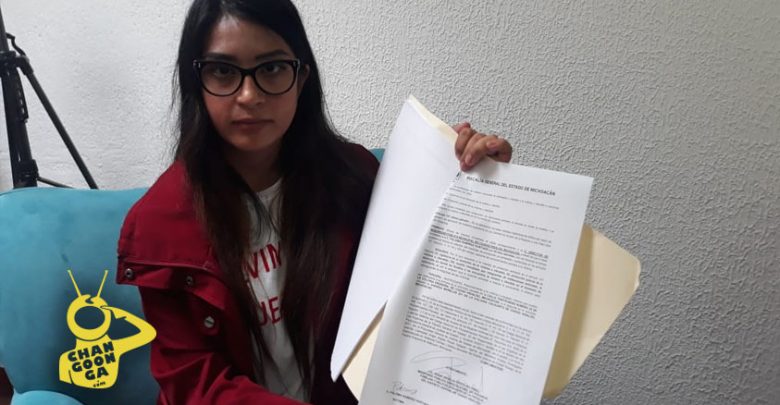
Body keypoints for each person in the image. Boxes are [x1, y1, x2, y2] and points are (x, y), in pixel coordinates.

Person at [115, 0, 513, 404]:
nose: (249, 95)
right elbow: (196, 387)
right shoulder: (158, 228)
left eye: (272, 68)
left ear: (301, 77)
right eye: (223, 71)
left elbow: (431, 278)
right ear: (195, 80)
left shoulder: (355, 178)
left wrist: (472, 176)